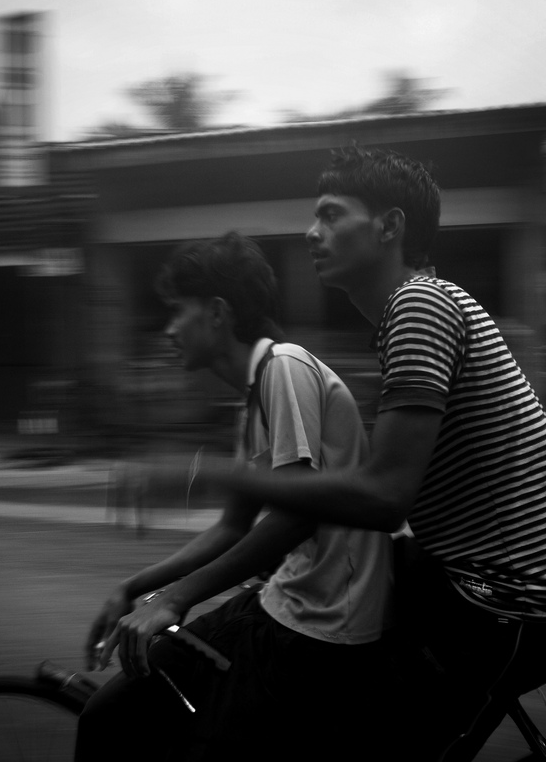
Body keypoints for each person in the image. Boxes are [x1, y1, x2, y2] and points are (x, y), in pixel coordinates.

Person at [185, 146, 546, 761]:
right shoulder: (419, 311)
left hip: (505, 604)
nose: (310, 232)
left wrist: (221, 474)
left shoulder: (419, 306)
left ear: (389, 226)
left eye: (330, 214)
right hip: (495, 589)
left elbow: (383, 495)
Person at [75, 231, 395, 761]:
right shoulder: (254, 398)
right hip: (291, 607)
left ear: (218, 312)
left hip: (317, 622)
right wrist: (136, 588)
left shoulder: (285, 368)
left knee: (142, 725)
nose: (169, 329)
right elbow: (231, 527)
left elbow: (295, 516)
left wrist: (176, 599)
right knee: (125, 709)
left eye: (178, 312)